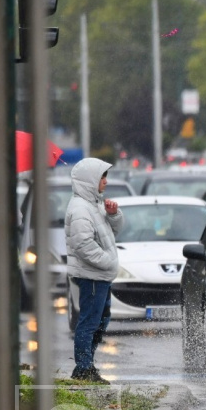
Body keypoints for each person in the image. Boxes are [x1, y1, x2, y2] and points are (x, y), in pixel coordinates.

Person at [65, 158, 124, 384]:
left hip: (99, 275)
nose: (105, 181)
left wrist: (113, 214)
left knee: (101, 320)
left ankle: (87, 364)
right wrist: (108, 261)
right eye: (102, 177)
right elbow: (83, 245)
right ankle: (83, 368)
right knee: (90, 322)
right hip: (91, 275)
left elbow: (114, 231)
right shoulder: (81, 208)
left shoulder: (94, 203)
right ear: (90, 180)